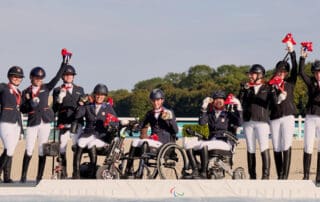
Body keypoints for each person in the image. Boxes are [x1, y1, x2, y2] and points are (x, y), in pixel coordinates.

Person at [19, 55, 67, 183]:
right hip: (32, 122)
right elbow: (22, 109)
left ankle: (39, 177)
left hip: (45, 122)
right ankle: (23, 176)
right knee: (29, 148)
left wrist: (64, 63)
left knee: (42, 149)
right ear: (31, 78)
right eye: (37, 78)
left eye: (41, 78)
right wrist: (30, 102)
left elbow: (57, 77)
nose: (39, 80)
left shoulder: (46, 88)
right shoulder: (25, 92)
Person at [184, 90, 242, 179]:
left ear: (224, 101)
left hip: (225, 141)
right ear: (213, 101)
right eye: (216, 99)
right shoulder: (210, 114)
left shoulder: (228, 114)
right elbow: (202, 123)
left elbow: (240, 122)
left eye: (221, 99)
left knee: (204, 144)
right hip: (211, 141)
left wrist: (238, 106)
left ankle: (203, 172)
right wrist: (204, 106)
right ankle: (196, 170)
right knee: (189, 145)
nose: (219, 101)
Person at [124, 88, 179, 178]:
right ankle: (128, 169)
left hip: (164, 142)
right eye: (153, 100)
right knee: (134, 142)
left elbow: (176, 130)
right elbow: (141, 126)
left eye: (157, 100)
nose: (155, 102)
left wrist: (169, 119)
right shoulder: (149, 113)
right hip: (154, 140)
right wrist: (132, 127)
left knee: (145, 142)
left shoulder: (169, 112)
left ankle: (140, 172)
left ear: (162, 100)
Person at [72, 84, 118, 179]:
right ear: (94, 95)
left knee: (91, 144)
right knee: (80, 142)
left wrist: (110, 124)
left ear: (105, 96)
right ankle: (76, 173)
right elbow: (77, 115)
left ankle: (92, 172)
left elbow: (115, 121)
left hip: (101, 136)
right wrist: (81, 104)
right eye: (97, 94)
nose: (99, 97)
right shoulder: (88, 106)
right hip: (88, 134)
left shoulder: (108, 107)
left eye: (102, 95)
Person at [268, 42, 297, 180]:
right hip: (274, 116)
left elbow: (296, 68)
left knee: (286, 143)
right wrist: (276, 97)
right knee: (276, 145)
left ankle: (285, 175)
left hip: (287, 116)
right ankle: (280, 174)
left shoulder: (290, 82)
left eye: (284, 72)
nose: (281, 74)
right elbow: (269, 102)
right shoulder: (271, 85)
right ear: (276, 72)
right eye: (279, 72)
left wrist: (292, 52)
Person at [238, 64, 272, 179]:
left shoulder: (267, 88)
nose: (250, 76)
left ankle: (266, 176)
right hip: (248, 121)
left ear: (259, 75)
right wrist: (243, 90)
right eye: (250, 73)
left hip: (262, 121)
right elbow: (240, 102)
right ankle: (252, 175)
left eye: (252, 73)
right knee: (250, 148)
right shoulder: (248, 88)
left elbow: (273, 102)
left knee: (263, 147)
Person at [52, 64, 85, 179]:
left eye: (71, 75)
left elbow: (83, 107)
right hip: (63, 122)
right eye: (66, 75)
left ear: (73, 77)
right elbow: (54, 109)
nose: (69, 77)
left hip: (76, 122)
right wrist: (60, 99)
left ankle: (76, 172)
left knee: (76, 147)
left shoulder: (79, 90)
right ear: (62, 77)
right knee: (62, 148)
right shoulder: (57, 90)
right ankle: (63, 173)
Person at [299, 47, 320, 184]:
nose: (318, 74)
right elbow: (301, 72)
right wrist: (303, 57)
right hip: (311, 116)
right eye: (316, 72)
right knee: (307, 145)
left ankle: (318, 176)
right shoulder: (311, 82)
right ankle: (306, 175)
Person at [0, 66, 24, 183]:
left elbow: (19, 110)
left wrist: (22, 129)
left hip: (16, 123)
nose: (17, 79)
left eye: (19, 77)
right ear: (9, 76)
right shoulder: (3, 87)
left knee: (10, 150)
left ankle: (7, 177)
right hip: (5, 121)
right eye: (15, 76)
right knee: (9, 148)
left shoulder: (19, 92)